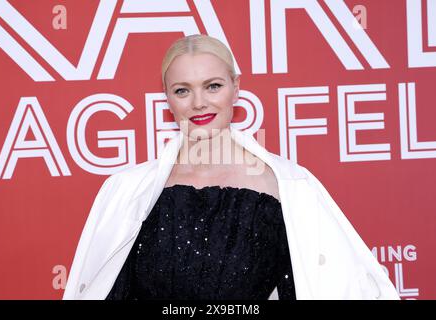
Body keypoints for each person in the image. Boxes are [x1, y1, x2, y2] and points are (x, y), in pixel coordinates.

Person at [63, 34, 400, 300]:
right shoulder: (125, 191)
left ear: (235, 87)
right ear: (167, 98)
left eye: (213, 86)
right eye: (183, 90)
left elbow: (322, 286)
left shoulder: (288, 186)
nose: (199, 102)